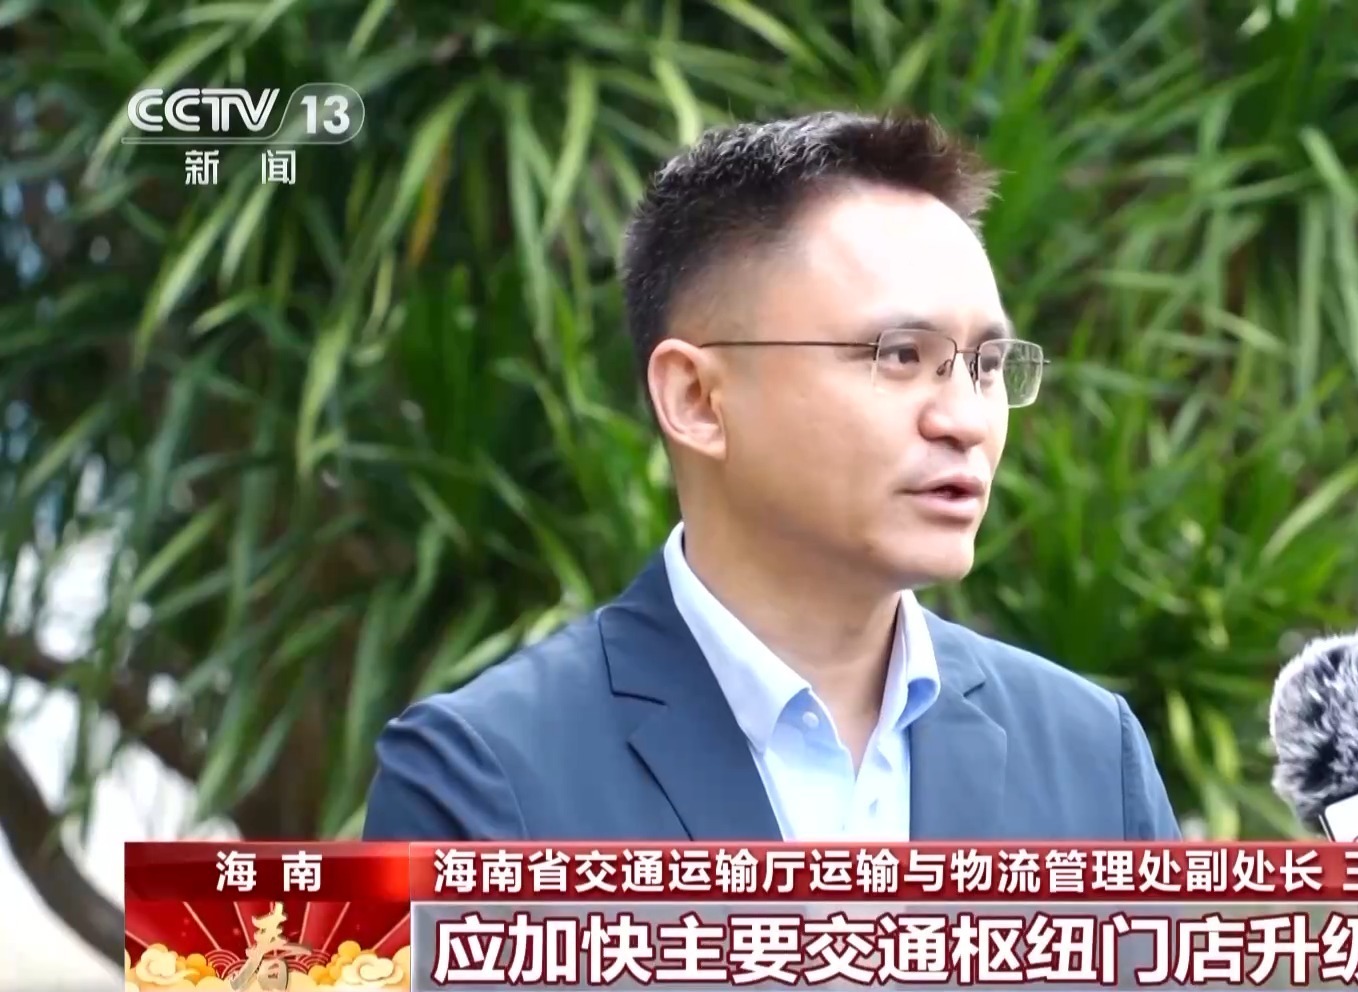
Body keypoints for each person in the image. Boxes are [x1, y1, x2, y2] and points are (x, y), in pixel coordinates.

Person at [361, 111, 1183, 843]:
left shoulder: (1089, 756)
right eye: (901, 355)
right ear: (697, 399)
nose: (965, 419)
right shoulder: (483, 778)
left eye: (988, 364)